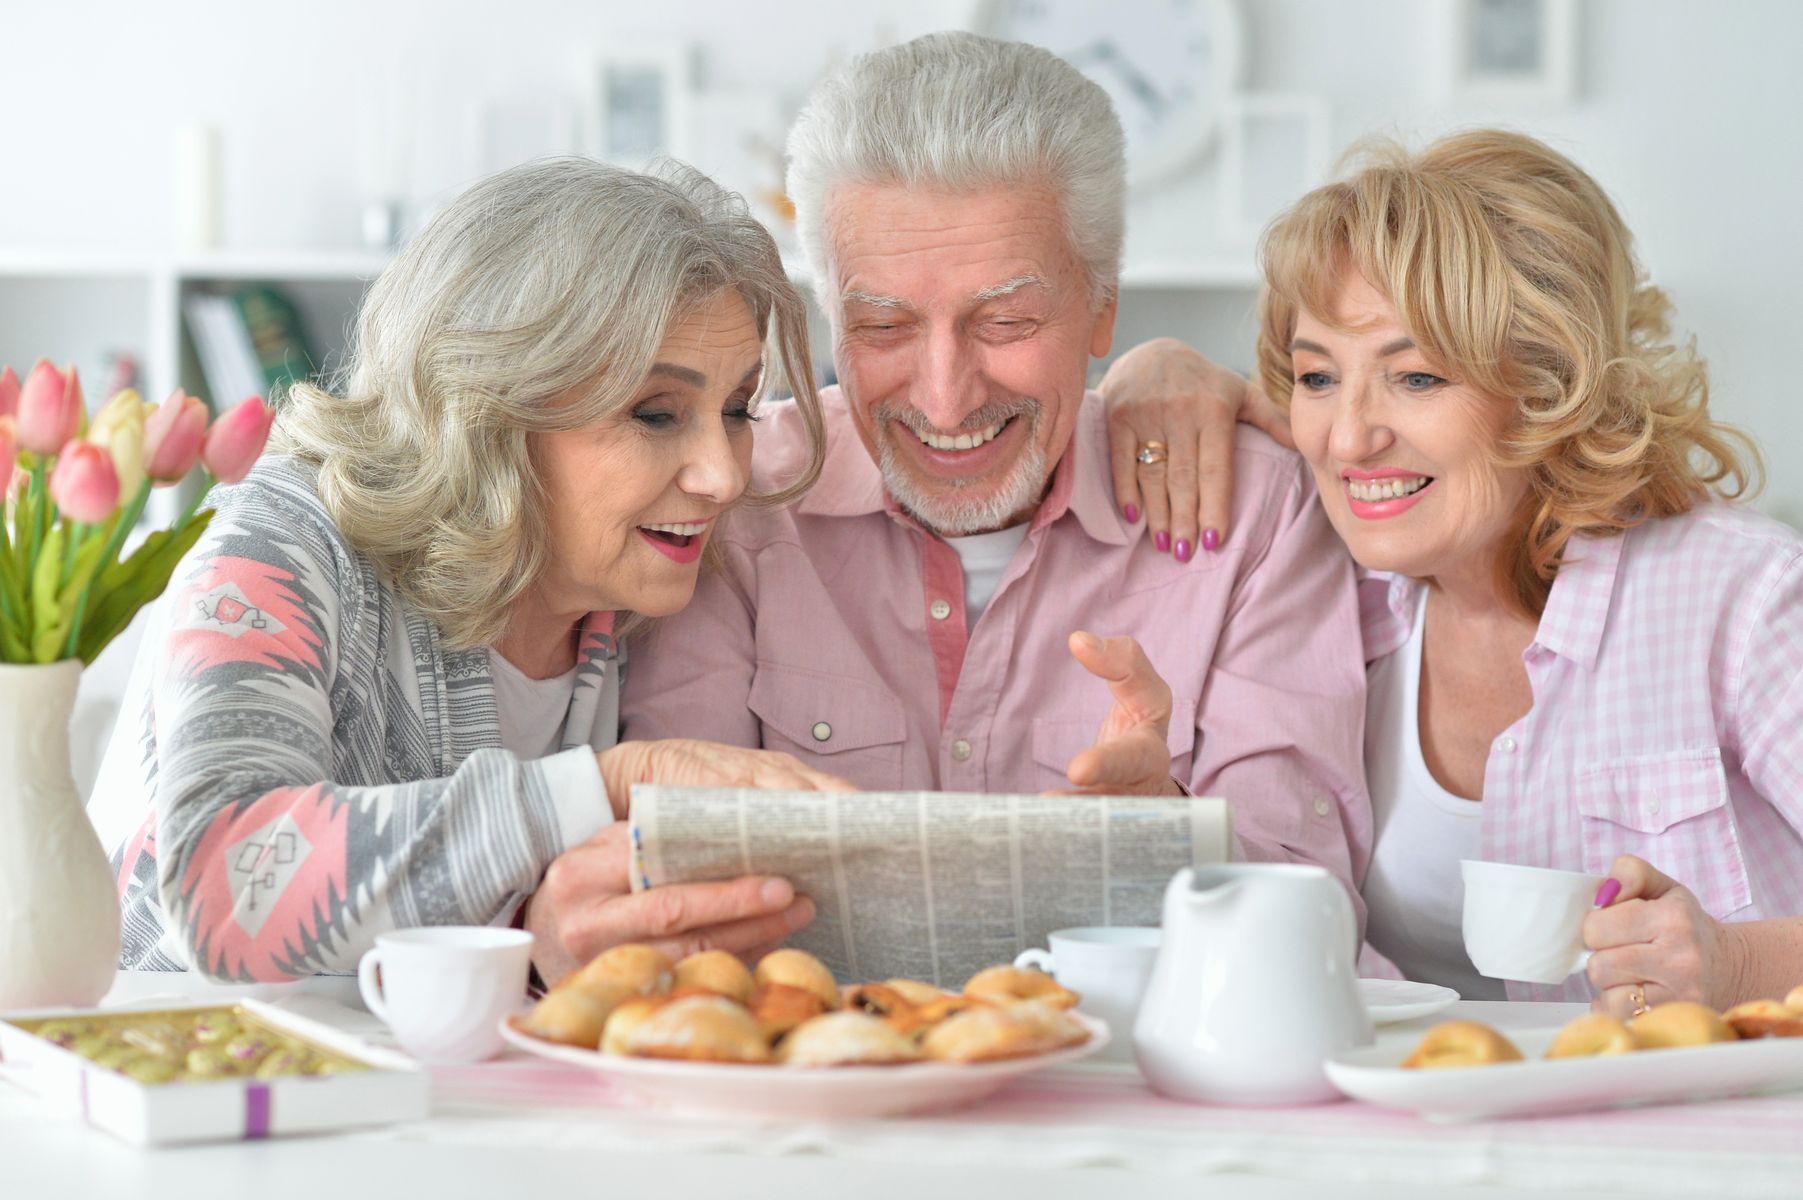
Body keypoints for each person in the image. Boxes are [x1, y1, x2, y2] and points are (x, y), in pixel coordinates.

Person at [620, 33, 1373, 920]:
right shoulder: (738, 505)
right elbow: (671, 880)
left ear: (1102, 308)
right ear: (829, 316)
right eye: (883, 329)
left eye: (1006, 322)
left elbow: (1310, 909)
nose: (943, 402)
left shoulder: (1256, 513)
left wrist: (1164, 835)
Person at [99, 159, 856, 987]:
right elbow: (221, 883)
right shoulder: (282, 540)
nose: (721, 474)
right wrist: (604, 786)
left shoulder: (644, 591)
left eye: (737, 409)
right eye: (654, 413)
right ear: (493, 408)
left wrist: (544, 954)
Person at [1106, 129, 1803, 1016]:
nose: (1350, 437)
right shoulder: (1316, 600)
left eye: (1417, 378)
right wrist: (1153, 365)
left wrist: (1738, 965)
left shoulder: (1740, 599)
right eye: (1318, 377)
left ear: (1550, 384)